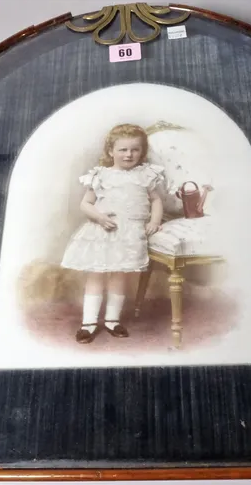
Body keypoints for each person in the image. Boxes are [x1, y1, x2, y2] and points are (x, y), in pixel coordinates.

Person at [61, 124, 164, 343]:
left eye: (135, 150)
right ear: (111, 151)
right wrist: (99, 216)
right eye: (123, 150)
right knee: (97, 276)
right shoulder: (101, 175)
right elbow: (86, 204)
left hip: (130, 234)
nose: (129, 154)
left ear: (142, 152)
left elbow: (156, 200)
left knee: (120, 277)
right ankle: (88, 323)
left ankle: (112, 320)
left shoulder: (145, 175)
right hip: (104, 232)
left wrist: (155, 220)